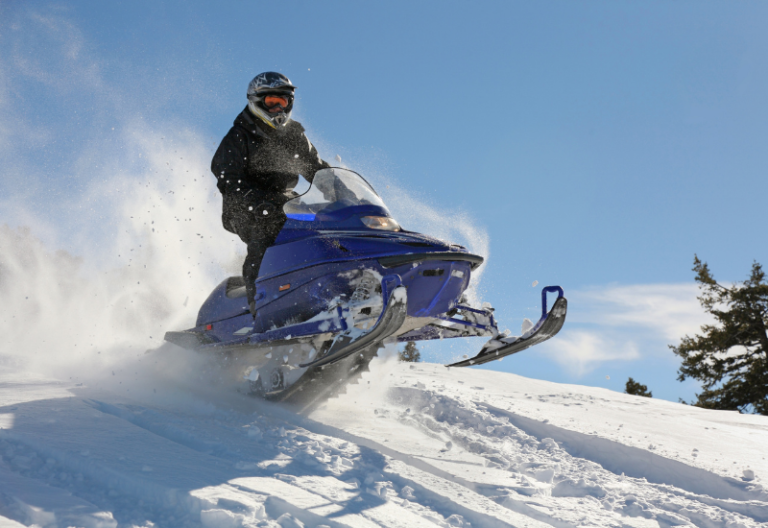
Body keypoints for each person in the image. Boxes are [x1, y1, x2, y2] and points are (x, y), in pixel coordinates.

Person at [211, 72, 329, 315]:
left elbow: (316, 168)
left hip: (284, 202)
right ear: (256, 101)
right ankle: (260, 310)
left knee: (324, 229)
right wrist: (250, 200)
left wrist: (342, 190)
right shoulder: (239, 135)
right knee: (264, 235)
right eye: (271, 103)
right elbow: (225, 174)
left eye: (282, 103)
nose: (277, 109)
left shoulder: (294, 135)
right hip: (242, 205)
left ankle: (325, 292)